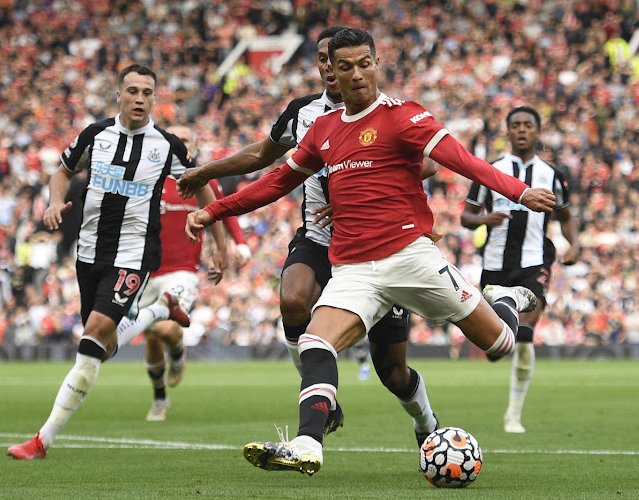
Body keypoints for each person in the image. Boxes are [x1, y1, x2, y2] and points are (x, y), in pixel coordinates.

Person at [183, 28, 556, 475]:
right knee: (316, 342)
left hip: (411, 259)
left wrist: (520, 192)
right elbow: (276, 181)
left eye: (364, 63)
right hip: (354, 268)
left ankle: (507, 299)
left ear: (377, 63)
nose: (356, 74)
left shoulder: (404, 116)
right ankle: (308, 444)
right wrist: (215, 211)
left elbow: (462, 160)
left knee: (499, 344)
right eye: (345, 66)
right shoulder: (321, 129)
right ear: (332, 74)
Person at [178, 25, 441, 446]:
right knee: (292, 297)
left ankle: (427, 422)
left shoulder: (383, 112)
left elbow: (427, 164)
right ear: (322, 66)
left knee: (392, 371)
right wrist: (206, 171)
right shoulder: (302, 113)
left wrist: (353, 186)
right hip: (320, 238)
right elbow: (261, 157)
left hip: (377, 245)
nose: (331, 68)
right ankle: (320, 398)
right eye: (322, 59)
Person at [7, 64, 217, 459]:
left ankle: (42, 439)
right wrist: (55, 201)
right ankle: (159, 311)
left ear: (155, 98)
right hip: (88, 254)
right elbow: (63, 171)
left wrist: (214, 228)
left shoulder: (166, 145)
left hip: (134, 255)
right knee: (102, 346)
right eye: (133, 91)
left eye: (147, 92)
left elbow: (202, 183)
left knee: (94, 335)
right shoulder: (95, 135)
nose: (140, 98)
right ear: (118, 95)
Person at [460, 106, 580, 434]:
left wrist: (574, 244)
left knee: (525, 334)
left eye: (528, 125)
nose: (522, 130)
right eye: (516, 125)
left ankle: (513, 415)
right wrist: (485, 219)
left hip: (535, 262)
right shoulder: (489, 170)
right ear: (508, 132)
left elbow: (565, 217)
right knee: (497, 348)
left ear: (538, 132)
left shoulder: (552, 174)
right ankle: (505, 307)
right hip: (495, 267)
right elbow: (466, 218)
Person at [118, 125, 249, 422]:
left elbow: (223, 212)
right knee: (151, 336)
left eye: (185, 140)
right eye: (172, 140)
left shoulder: (203, 182)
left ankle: (177, 355)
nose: (178, 144)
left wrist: (236, 245)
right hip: (146, 272)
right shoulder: (151, 181)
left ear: (195, 146)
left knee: (163, 327)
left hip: (183, 271)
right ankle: (160, 397)